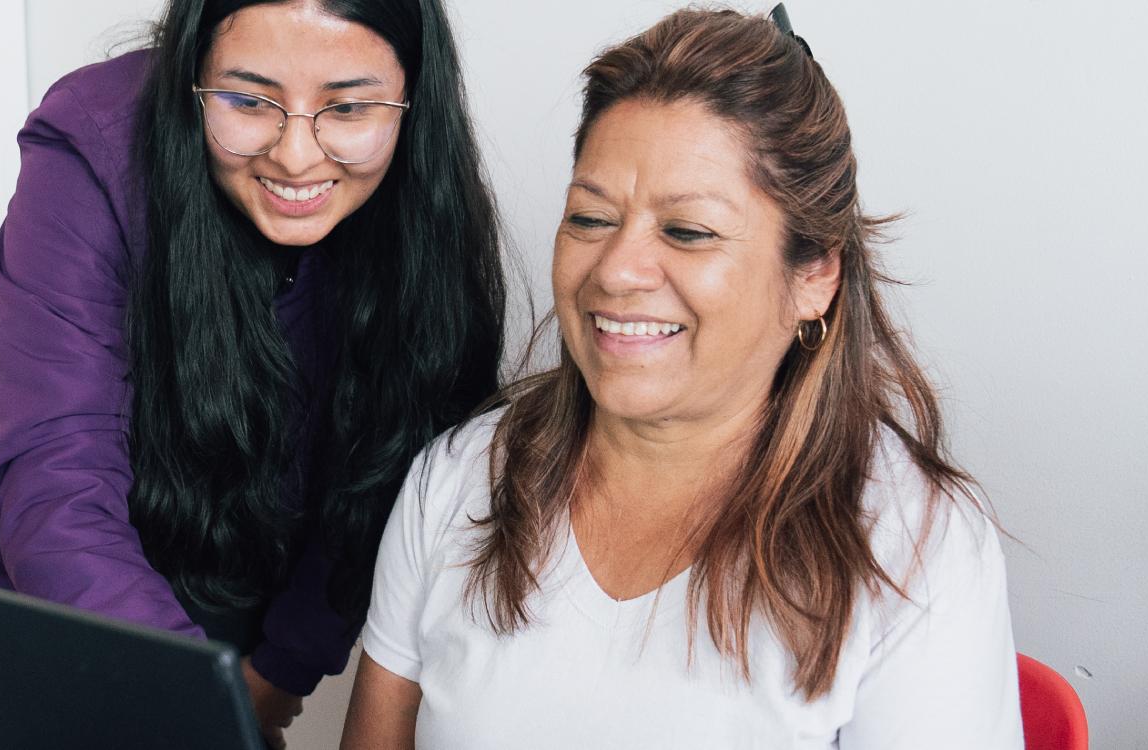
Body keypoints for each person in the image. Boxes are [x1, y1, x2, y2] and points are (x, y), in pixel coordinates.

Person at [342, 7, 1020, 748]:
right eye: (591, 219)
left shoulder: (916, 544)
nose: (617, 270)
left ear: (814, 276)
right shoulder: (461, 476)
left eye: (688, 231)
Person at [0, 0, 504, 745]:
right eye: (249, 100)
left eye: (348, 106)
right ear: (194, 71)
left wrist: (280, 670)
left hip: (240, 529)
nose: (295, 156)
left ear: (413, 98)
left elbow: (380, 467)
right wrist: (199, 712)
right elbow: (54, 478)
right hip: (32, 539)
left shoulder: (423, 213)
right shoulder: (95, 137)